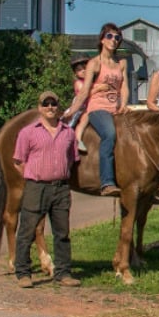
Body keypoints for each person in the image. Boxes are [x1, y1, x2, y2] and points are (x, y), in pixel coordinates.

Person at [13, 91, 81, 288]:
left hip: (60, 188)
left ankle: (63, 273)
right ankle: (23, 273)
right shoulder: (28, 132)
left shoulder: (68, 132)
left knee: (62, 232)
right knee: (27, 231)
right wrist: (33, 176)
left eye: (53, 104)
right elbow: (18, 161)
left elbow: (73, 159)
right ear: (39, 107)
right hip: (37, 186)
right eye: (46, 104)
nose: (50, 107)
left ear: (58, 108)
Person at [62, 23, 129, 196]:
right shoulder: (94, 63)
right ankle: (107, 182)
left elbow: (124, 87)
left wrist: (124, 105)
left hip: (116, 108)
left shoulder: (121, 63)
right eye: (110, 36)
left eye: (117, 37)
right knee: (109, 134)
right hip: (98, 108)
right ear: (102, 39)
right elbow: (84, 92)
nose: (114, 40)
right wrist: (70, 112)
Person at [68, 56, 92, 152]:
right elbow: (85, 93)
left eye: (85, 68)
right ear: (75, 73)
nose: (83, 71)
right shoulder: (79, 83)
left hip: (90, 104)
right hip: (81, 106)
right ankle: (78, 138)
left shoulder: (90, 81)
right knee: (85, 118)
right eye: (79, 70)